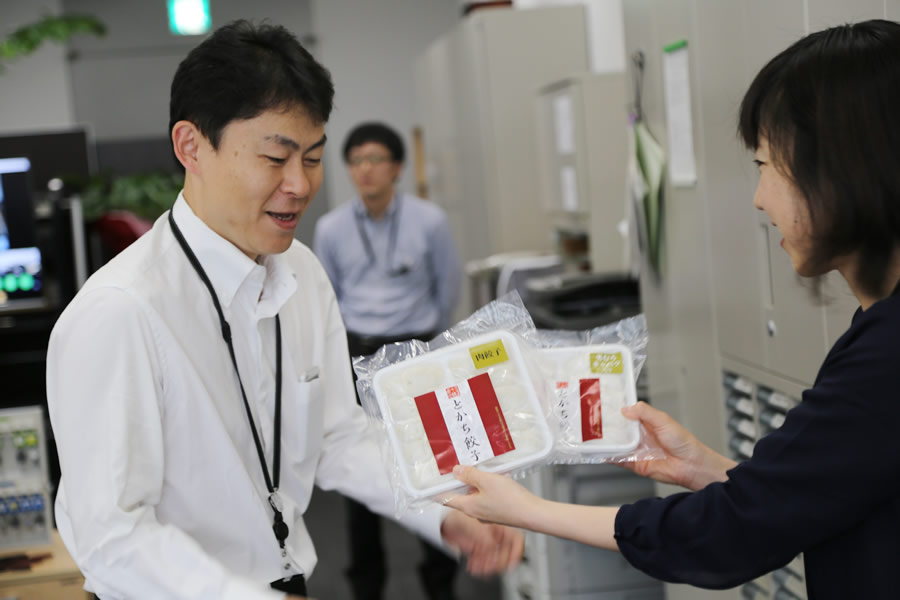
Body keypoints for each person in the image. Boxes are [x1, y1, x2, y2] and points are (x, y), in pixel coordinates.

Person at [46, 20, 522, 600]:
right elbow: (110, 536)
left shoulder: (301, 271)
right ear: (191, 147)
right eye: (275, 158)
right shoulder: (118, 312)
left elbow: (339, 438)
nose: (299, 184)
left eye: (313, 158)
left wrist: (443, 510)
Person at [446, 19, 900, 599]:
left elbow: (731, 534)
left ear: (843, 168)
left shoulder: (887, 354)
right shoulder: (879, 334)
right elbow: (809, 494)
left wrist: (527, 511)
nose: (758, 200)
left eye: (766, 166)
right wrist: (705, 468)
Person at [313, 122, 463, 600]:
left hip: (417, 351)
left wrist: (425, 340)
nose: (366, 170)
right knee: (361, 466)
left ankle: (441, 582)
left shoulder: (429, 221)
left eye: (375, 159)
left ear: (397, 167)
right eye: (356, 161)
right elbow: (326, 297)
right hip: (359, 353)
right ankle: (367, 584)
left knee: (435, 467)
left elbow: (447, 288)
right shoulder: (331, 228)